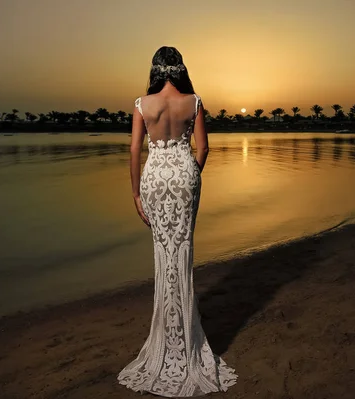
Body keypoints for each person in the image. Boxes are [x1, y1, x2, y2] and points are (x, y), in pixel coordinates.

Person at [118, 46, 238, 396]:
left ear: (155, 71)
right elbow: (203, 148)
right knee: (182, 255)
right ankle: (186, 340)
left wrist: (137, 194)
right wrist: (190, 175)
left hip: (154, 179)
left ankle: (168, 339)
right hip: (185, 178)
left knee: (163, 256)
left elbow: (134, 150)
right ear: (180, 69)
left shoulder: (142, 104)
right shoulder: (195, 101)